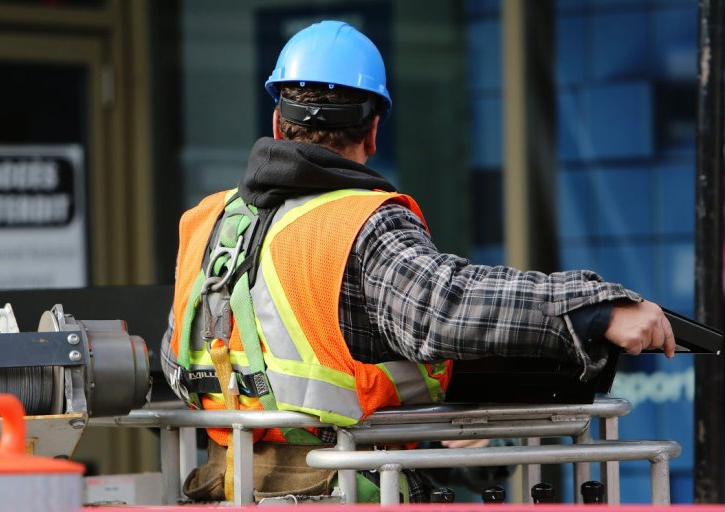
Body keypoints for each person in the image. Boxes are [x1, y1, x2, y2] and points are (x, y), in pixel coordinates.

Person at [160, 20, 675, 503]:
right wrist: (597, 309)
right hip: (344, 492)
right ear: (373, 131)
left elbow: (176, 356)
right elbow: (442, 307)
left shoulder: (207, 223)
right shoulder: (359, 223)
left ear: (276, 120)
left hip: (226, 490)